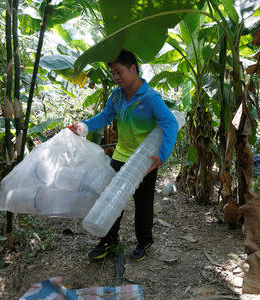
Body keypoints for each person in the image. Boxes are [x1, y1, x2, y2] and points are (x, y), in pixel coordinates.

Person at [70, 49, 179, 261]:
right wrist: (83, 125)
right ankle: (109, 241)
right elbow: (105, 116)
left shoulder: (150, 98)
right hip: (120, 155)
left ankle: (144, 241)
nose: (116, 77)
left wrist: (162, 155)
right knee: (111, 199)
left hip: (145, 160)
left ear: (133, 69)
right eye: (113, 74)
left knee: (143, 203)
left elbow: (170, 123)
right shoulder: (117, 96)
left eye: (119, 72)